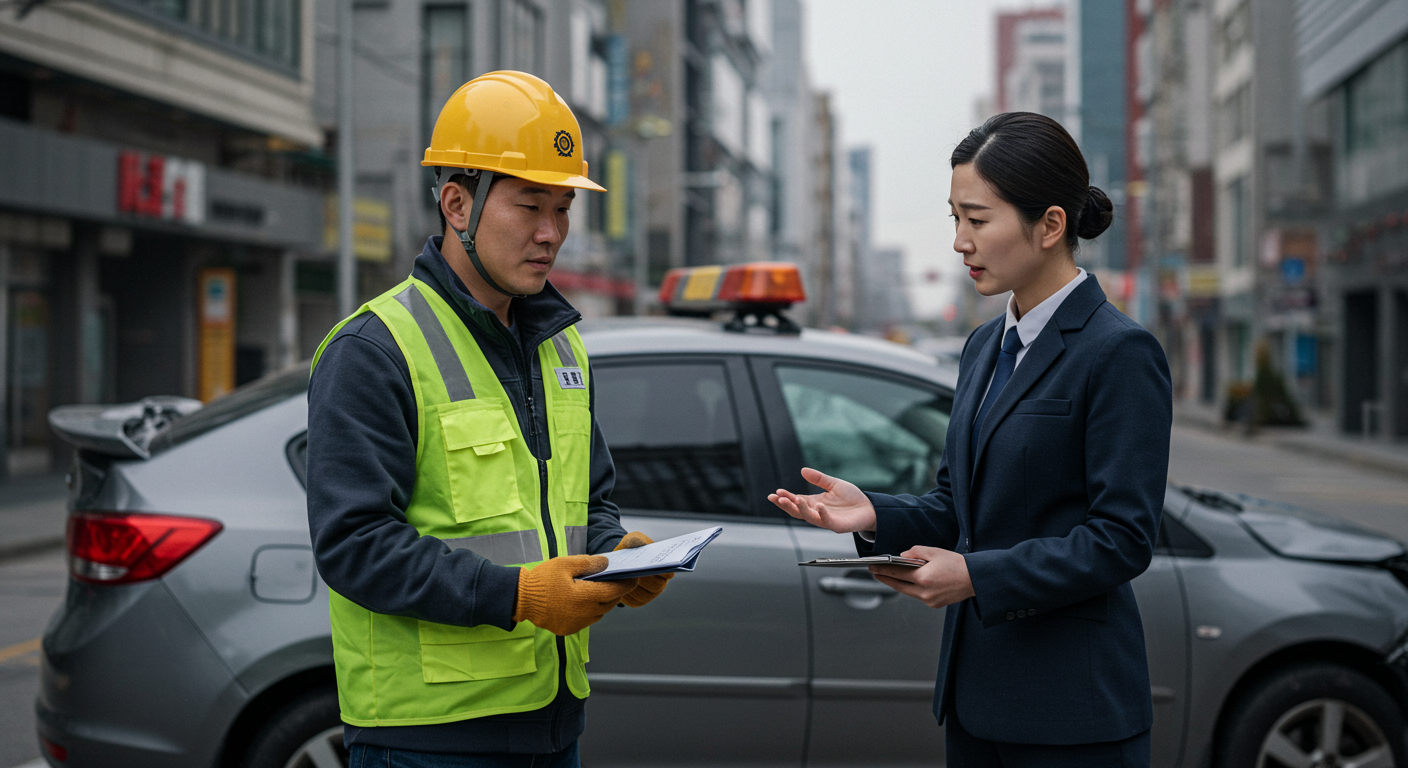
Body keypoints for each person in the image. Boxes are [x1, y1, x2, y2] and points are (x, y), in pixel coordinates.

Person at [770, 112, 1172, 767]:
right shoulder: (985, 345)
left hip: (1073, 715)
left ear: (1049, 225)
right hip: (977, 702)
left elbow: (1122, 539)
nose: (959, 241)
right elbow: (960, 503)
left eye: (977, 220)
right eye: (954, 217)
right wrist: (874, 512)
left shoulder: (1119, 352)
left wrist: (977, 576)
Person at [306, 71, 671, 768]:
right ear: (456, 204)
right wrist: (518, 596)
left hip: (553, 723)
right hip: (428, 739)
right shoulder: (374, 349)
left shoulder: (560, 346)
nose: (551, 232)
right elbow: (353, 544)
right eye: (530, 205)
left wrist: (617, 555)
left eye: (563, 208)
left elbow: (585, 501)